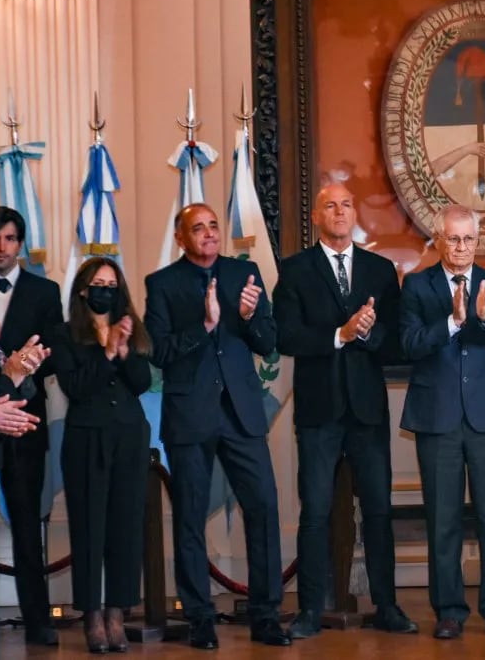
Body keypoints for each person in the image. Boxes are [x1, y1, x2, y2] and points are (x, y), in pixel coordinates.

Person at [144, 203, 290, 649]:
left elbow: (268, 343)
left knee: (263, 508)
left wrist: (247, 318)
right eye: (198, 228)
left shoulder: (244, 275)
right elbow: (159, 353)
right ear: (181, 237)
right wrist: (205, 326)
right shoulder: (162, 284)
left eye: (213, 227)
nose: (209, 234)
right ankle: (200, 619)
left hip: (242, 412)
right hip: (191, 415)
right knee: (189, 517)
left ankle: (266, 616)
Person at [273, 183, 416, 638]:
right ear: (316, 216)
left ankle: (388, 606)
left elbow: (393, 342)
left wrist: (369, 334)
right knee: (315, 512)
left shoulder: (379, 270)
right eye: (330, 204)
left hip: (367, 411)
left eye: (347, 204)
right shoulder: (294, 270)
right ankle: (312, 609)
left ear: (356, 213)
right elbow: (286, 337)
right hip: (318, 412)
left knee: (377, 509)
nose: (339, 211)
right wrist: (341, 333)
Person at [399, 204, 485, 640]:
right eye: (453, 239)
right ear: (439, 238)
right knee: (443, 519)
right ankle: (449, 611)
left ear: (478, 240)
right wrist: (452, 321)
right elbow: (410, 344)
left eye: (469, 239)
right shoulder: (417, 285)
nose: (462, 247)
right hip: (438, 418)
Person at [0, 206, 63, 646]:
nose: (2, 247)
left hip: (24, 416)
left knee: (26, 522)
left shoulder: (45, 290)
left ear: (21, 243)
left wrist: (23, 359)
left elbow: (55, 344)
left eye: (10, 239)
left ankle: (39, 619)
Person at [51, 257, 152, 652]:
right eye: (98, 284)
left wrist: (124, 351)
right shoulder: (64, 334)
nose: (105, 290)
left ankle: (117, 613)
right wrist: (106, 353)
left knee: (126, 526)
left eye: (112, 284)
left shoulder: (132, 327)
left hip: (129, 435)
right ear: (82, 290)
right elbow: (75, 387)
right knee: (90, 526)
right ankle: (91, 615)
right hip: (86, 437)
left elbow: (142, 383)